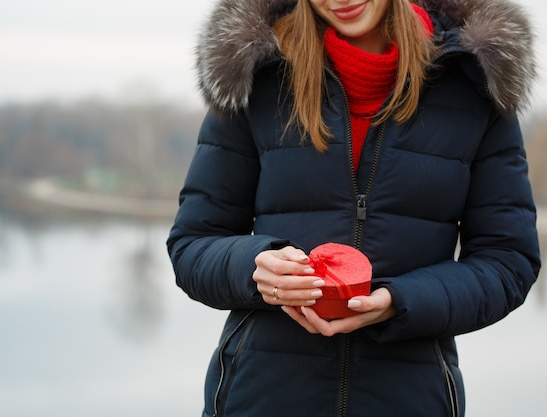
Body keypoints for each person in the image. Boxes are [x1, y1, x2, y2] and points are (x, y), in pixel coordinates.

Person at [167, 0, 541, 416]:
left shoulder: (475, 81)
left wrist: (402, 301)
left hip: (410, 400)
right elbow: (193, 245)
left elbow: (508, 261)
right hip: (260, 397)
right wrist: (254, 266)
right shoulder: (256, 72)